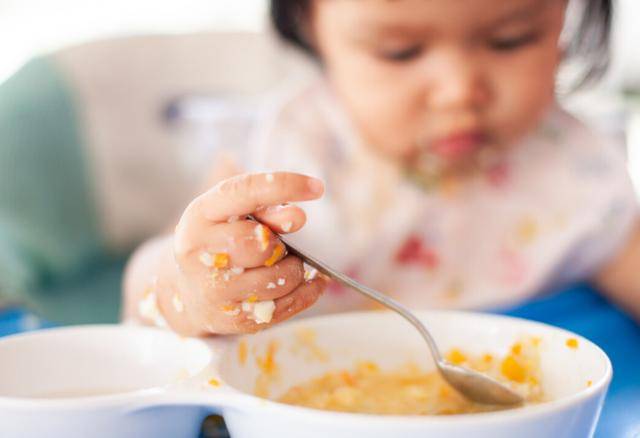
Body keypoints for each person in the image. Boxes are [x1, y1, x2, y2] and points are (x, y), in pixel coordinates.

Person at [123, 0, 640, 336]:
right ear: (313, 27)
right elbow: (148, 287)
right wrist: (186, 292)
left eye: (511, 40)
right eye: (401, 52)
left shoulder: (573, 164)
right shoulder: (275, 154)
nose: (459, 88)